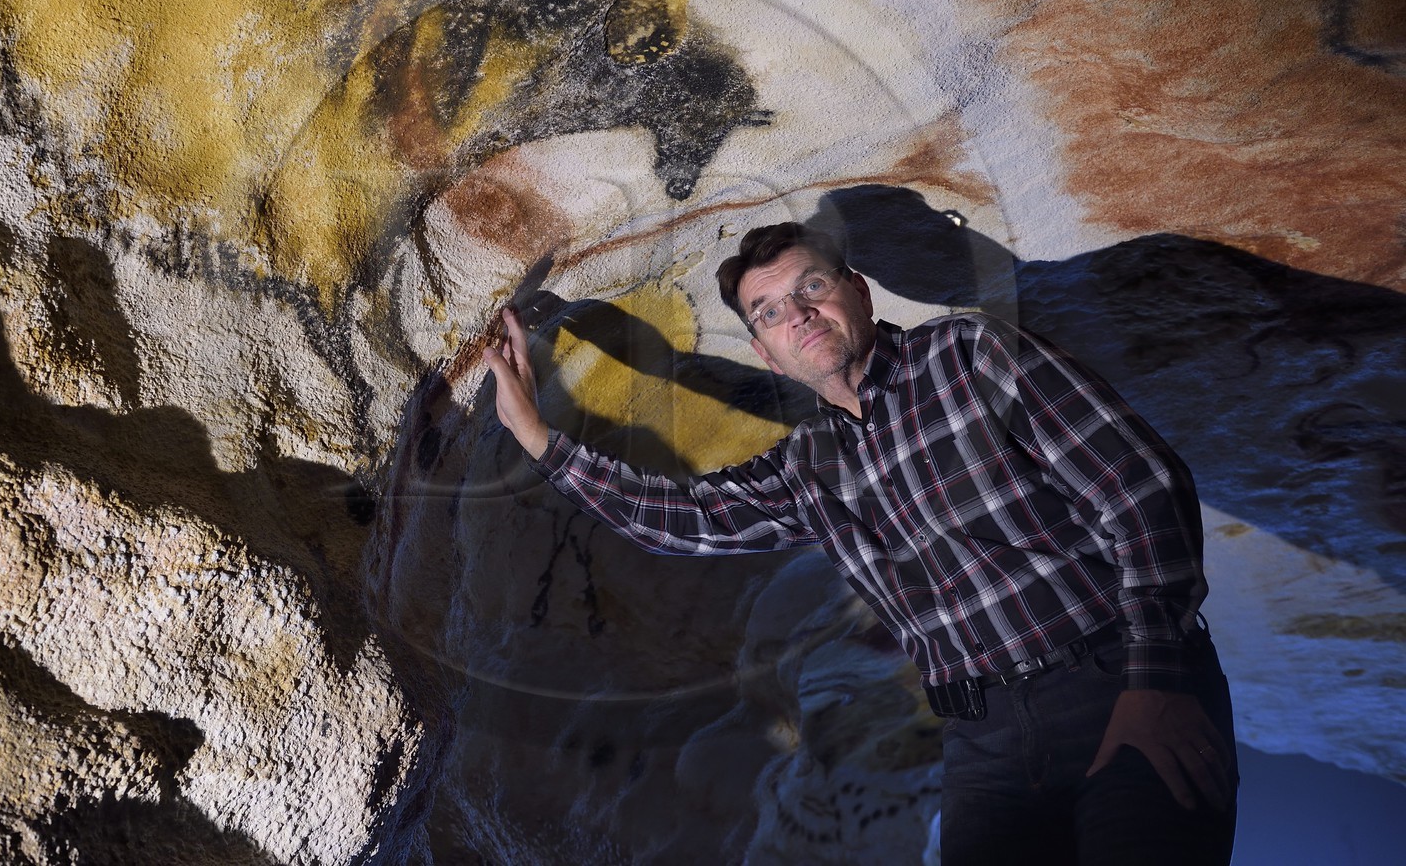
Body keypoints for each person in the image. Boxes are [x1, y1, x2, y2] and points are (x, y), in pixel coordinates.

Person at [482, 221, 1236, 865]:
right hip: (985, 742)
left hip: (1116, 683)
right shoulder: (809, 465)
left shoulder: (970, 356)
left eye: (811, 288)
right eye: (771, 311)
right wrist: (540, 438)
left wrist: (1156, 681)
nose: (798, 314)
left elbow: (1142, 489)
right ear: (767, 353)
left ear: (860, 292)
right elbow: (689, 521)